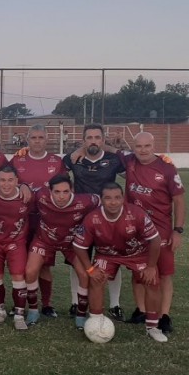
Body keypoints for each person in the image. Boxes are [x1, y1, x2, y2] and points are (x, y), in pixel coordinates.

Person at [73, 182, 166, 342]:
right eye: (108, 198)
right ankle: (96, 321)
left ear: (123, 198)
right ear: (101, 200)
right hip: (106, 255)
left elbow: (155, 240)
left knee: (152, 281)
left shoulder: (137, 214)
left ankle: (152, 327)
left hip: (137, 253)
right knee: (96, 279)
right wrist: (90, 269)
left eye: (117, 197)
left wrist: (151, 267)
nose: (113, 202)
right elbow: (78, 246)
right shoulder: (92, 218)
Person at [123, 132, 186, 333]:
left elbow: (179, 200)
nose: (143, 150)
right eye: (138, 146)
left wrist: (178, 231)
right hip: (136, 229)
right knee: (137, 272)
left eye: (147, 146)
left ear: (153, 146)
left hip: (162, 230)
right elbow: (107, 149)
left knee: (165, 274)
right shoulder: (130, 161)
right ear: (133, 148)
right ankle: (141, 311)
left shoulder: (166, 167)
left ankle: (164, 316)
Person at [63, 124, 127, 320]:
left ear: (103, 140)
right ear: (83, 140)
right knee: (78, 262)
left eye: (97, 137)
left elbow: (135, 172)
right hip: (80, 219)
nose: (93, 141)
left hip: (109, 219)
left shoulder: (114, 160)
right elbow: (57, 178)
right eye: (89, 138)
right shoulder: (73, 159)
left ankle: (115, 304)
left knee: (112, 261)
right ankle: (75, 302)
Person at [24, 175, 99, 325]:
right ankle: (33, 310)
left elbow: (100, 199)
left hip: (71, 243)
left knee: (84, 274)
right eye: (57, 192)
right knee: (30, 271)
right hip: (44, 240)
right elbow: (26, 192)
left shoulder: (84, 201)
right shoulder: (41, 196)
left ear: (72, 190)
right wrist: (23, 185)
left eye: (65, 192)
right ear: (50, 192)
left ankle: (81, 315)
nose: (61, 196)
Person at [11, 124, 67, 316]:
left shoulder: (56, 162)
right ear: (27, 139)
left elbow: (65, 190)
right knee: (20, 266)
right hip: (21, 219)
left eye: (40, 138)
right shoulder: (18, 160)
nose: (37, 141)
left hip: (46, 221)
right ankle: (20, 303)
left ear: (47, 139)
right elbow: (6, 184)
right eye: (33, 138)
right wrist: (22, 185)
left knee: (43, 265)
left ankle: (47, 304)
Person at [0, 165, 33, 329]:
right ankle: (0, 311)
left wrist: (26, 186)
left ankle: (19, 315)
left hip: (16, 242)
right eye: (2, 180)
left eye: (10, 180)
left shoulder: (27, 197)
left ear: (17, 181)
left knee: (18, 277)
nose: (6, 184)